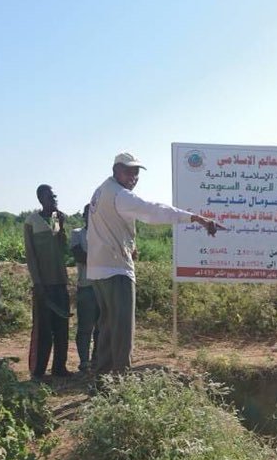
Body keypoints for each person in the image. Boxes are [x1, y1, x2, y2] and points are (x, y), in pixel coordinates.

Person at [87, 152, 223, 375]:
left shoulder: (101, 190)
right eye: (128, 171)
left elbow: (106, 227)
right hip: (116, 270)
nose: (133, 177)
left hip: (98, 270)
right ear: (116, 171)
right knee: (122, 330)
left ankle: (102, 380)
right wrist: (196, 218)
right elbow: (155, 210)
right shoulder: (121, 196)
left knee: (108, 327)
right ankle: (120, 381)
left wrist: (127, 244)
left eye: (136, 172)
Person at [24, 184, 71, 378]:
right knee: (44, 329)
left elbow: (62, 250)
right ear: (40, 198)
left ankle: (59, 367)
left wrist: (61, 227)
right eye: (50, 196)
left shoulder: (55, 220)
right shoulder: (31, 221)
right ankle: (39, 372)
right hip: (43, 284)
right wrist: (37, 283)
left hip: (60, 281)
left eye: (54, 195)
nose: (54, 199)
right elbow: (30, 255)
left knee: (62, 328)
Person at [68, 204, 99, 372]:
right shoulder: (77, 234)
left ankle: (96, 360)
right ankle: (84, 362)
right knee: (85, 328)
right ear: (84, 215)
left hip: (102, 288)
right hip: (86, 286)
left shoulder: (104, 233)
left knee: (101, 327)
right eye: (89, 213)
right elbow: (79, 256)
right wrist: (102, 258)